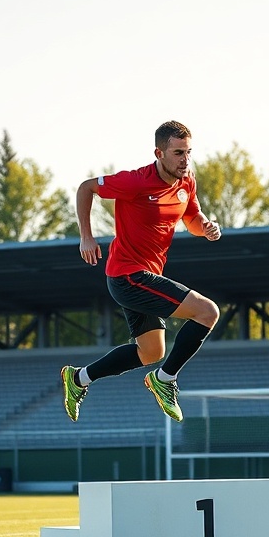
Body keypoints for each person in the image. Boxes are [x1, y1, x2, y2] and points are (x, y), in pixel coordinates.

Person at [60, 120, 222, 424]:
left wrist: (207, 229)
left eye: (188, 152)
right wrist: (86, 236)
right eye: (177, 153)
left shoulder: (187, 182)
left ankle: (79, 378)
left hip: (144, 277)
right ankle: (165, 379)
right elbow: (86, 188)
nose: (185, 160)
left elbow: (193, 219)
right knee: (207, 312)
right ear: (159, 153)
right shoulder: (135, 182)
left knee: (150, 352)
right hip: (128, 275)